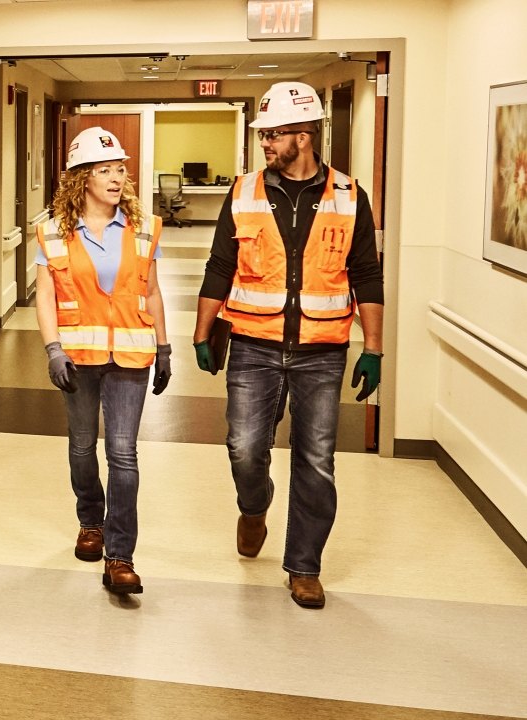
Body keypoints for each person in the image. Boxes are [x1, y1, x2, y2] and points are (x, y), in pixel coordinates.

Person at [192, 81, 384, 609]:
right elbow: (220, 266)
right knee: (245, 448)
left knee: (317, 459)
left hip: (322, 351)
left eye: (271, 136)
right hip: (254, 344)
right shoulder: (244, 191)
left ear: (302, 136)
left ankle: (303, 566)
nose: (264, 146)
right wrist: (202, 332)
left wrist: (374, 346)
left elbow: (367, 273)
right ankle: (254, 508)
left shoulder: (350, 196)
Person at [34, 126, 171, 596]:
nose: (116, 178)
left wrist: (165, 346)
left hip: (132, 353)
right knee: (80, 446)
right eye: (105, 170)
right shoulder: (51, 230)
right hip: (77, 355)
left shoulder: (145, 227)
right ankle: (89, 521)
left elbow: (150, 290)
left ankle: (120, 556)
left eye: (120, 170)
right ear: (82, 178)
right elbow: (46, 296)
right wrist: (52, 348)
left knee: (123, 454)